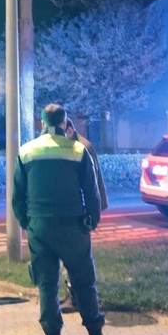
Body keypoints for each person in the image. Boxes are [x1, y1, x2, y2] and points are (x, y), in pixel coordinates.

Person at [12, 103, 108, 335]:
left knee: (47, 285)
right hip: (74, 227)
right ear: (65, 122)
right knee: (85, 285)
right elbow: (92, 191)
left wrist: (27, 223)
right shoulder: (78, 150)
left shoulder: (26, 152)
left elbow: (17, 197)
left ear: (41, 122)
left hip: (40, 228)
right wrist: (92, 221)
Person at [60, 118, 108, 312]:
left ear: (69, 130)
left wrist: (92, 212)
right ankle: (75, 295)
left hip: (81, 210)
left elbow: (91, 182)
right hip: (77, 208)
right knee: (73, 256)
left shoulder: (82, 147)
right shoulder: (74, 145)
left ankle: (81, 298)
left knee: (79, 257)